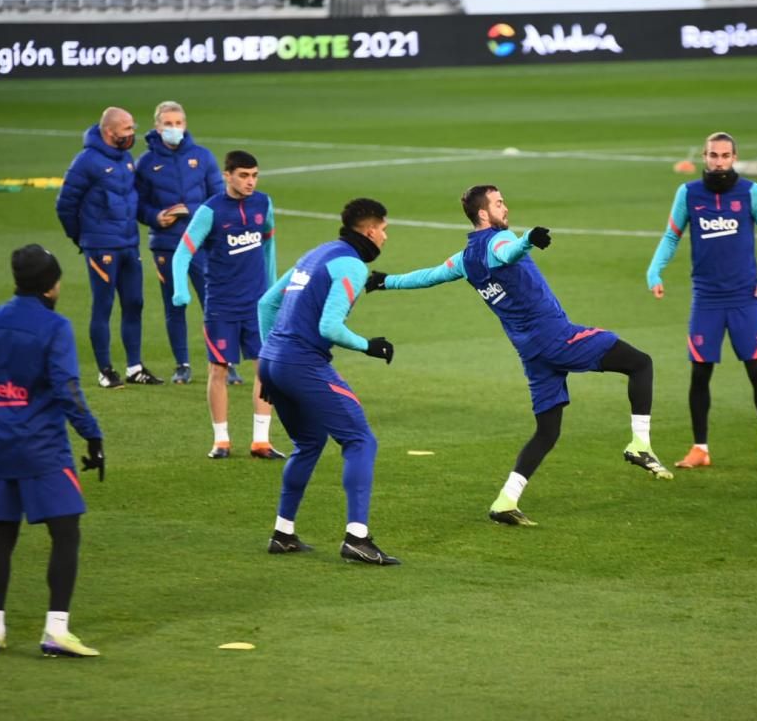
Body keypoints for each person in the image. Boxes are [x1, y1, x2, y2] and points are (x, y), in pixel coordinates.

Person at [367, 184, 671, 529]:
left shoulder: (465, 260)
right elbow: (508, 252)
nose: (505, 208)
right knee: (640, 362)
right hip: (558, 338)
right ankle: (639, 443)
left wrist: (385, 281)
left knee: (548, 430)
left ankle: (505, 501)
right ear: (483, 213)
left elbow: (429, 276)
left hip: (531, 351)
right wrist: (528, 241)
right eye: (498, 203)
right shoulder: (498, 242)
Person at [0, 244, 106, 657]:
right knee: (66, 532)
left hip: (2, 447)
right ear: (50, 284)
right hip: (44, 449)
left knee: (2, 536)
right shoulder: (54, 328)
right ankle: (56, 629)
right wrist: (92, 434)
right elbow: (67, 390)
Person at [257, 198, 400, 565]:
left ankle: (283, 533)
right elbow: (329, 327)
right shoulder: (351, 265)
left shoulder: (316, 254)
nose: (385, 237)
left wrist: (267, 357)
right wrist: (370, 345)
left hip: (273, 361)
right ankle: (357, 538)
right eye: (383, 229)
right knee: (360, 440)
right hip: (302, 363)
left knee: (308, 442)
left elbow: (266, 305)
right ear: (369, 231)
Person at [646, 131, 757, 472]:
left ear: (734, 157)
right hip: (706, 299)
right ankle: (700, 448)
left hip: (744, 298)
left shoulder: (751, 192)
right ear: (704, 157)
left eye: (724, 155)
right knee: (700, 373)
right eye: (712, 155)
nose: (718, 161)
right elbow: (671, 235)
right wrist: (654, 271)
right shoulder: (689, 193)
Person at [172, 150, 283, 460]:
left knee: (266, 369)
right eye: (244, 176)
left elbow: (269, 243)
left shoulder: (264, 204)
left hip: (257, 306)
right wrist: (181, 290)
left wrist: (273, 289)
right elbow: (183, 253)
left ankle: (261, 441)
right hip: (221, 304)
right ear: (227, 175)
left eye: (255, 176)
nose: (250, 182)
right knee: (218, 369)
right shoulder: (211, 211)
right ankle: (221, 440)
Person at [135, 100, 243, 386]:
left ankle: (226, 362)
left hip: (203, 245)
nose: (173, 129)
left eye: (178, 123)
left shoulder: (203, 157)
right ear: (157, 127)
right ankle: (182, 365)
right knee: (175, 305)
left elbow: (219, 199)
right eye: (168, 124)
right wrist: (156, 217)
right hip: (166, 244)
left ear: (185, 125)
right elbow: (137, 205)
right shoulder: (145, 164)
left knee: (215, 304)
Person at [56, 106, 163, 388]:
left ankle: (135, 367)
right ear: (109, 131)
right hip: (101, 247)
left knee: (134, 303)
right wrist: (82, 238)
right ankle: (105, 370)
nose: (132, 133)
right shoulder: (86, 162)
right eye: (127, 129)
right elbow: (65, 204)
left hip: (129, 243)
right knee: (103, 306)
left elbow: (133, 201)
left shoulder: (126, 159)